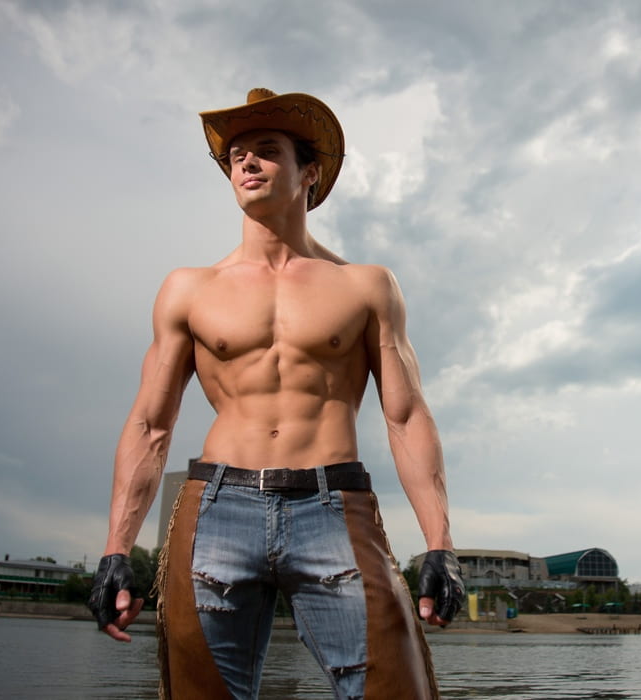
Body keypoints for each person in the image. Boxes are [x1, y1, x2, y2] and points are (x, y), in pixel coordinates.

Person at [88, 88, 465, 700]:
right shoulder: (189, 290)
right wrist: (114, 551)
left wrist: (441, 545)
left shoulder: (366, 287)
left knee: (400, 688)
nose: (247, 163)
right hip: (215, 510)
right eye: (237, 155)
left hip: (332, 506)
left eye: (267, 151)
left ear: (309, 172)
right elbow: (150, 425)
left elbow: (405, 416)